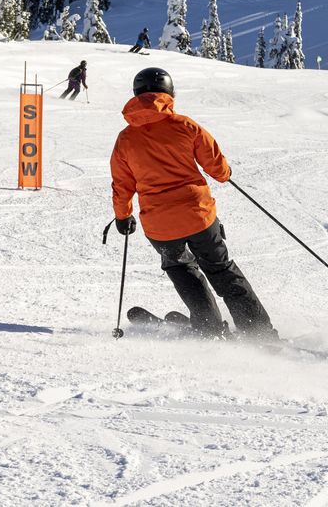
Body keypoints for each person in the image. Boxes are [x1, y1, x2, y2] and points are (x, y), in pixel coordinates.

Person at [110, 67, 276, 340]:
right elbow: (216, 165)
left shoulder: (125, 139)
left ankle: (208, 326)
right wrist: (225, 174)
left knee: (180, 267)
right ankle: (259, 332)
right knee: (220, 269)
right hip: (198, 215)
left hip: (159, 223)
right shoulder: (185, 126)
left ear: (137, 95)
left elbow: (122, 184)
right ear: (169, 94)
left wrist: (122, 216)